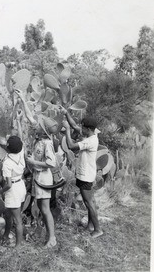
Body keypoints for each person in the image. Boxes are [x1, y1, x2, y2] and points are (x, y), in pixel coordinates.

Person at [15, 89, 57, 248]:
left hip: (44, 179)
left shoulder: (47, 144)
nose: (35, 124)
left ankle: (52, 238)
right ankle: (45, 233)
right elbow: (29, 117)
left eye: (38, 125)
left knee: (45, 209)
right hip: (37, 178)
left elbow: (51, 163)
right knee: (40, 207)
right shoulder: (40, 136)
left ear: (43, 130)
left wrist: (33, 162)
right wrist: (23, 99)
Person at [61, 110, 103, 238]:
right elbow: (75, 125)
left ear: (88, 129)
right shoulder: (91, 133)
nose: (80, 129)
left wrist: (67, 130)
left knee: (89, 202)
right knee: (89, 201)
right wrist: (66, 113)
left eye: (83, 127)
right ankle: (90, 225)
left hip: (86, 176)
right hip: (85, 174)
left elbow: (71, 146)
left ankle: (98, 229)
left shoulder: (90, 141)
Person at [0, 135, 27, 248]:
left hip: (13, 190)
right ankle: (6, 236)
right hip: (21, 185)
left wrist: (1, 191)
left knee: (17, 219)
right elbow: (21, 141)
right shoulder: (21, 153)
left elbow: (8, 184)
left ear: (8, 147)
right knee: (8, 214)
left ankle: (18, 246)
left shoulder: (7, 163)